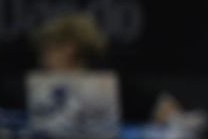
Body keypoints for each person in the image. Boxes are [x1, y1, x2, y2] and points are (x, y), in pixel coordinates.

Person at [34, 12, 181, 124]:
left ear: (69, 49)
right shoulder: (39, 89)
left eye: (49, 50)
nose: (43, 58)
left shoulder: (107, 84)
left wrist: (170, 115)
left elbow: (160, 106)